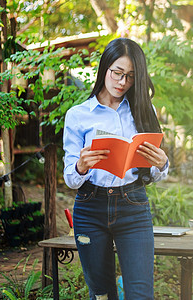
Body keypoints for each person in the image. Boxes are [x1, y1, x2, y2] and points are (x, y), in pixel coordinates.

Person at [63, 38, 169, 300]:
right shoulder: (78, 115)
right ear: (104, 69)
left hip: (132, 205)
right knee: (101, 294)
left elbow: (155, 173)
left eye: (130, 77)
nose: (122, 83)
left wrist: (161, 163)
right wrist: (81, 165)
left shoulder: (144, 110)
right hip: (90, 207)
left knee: (140, 294)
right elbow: (70, 179)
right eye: (117, 73)